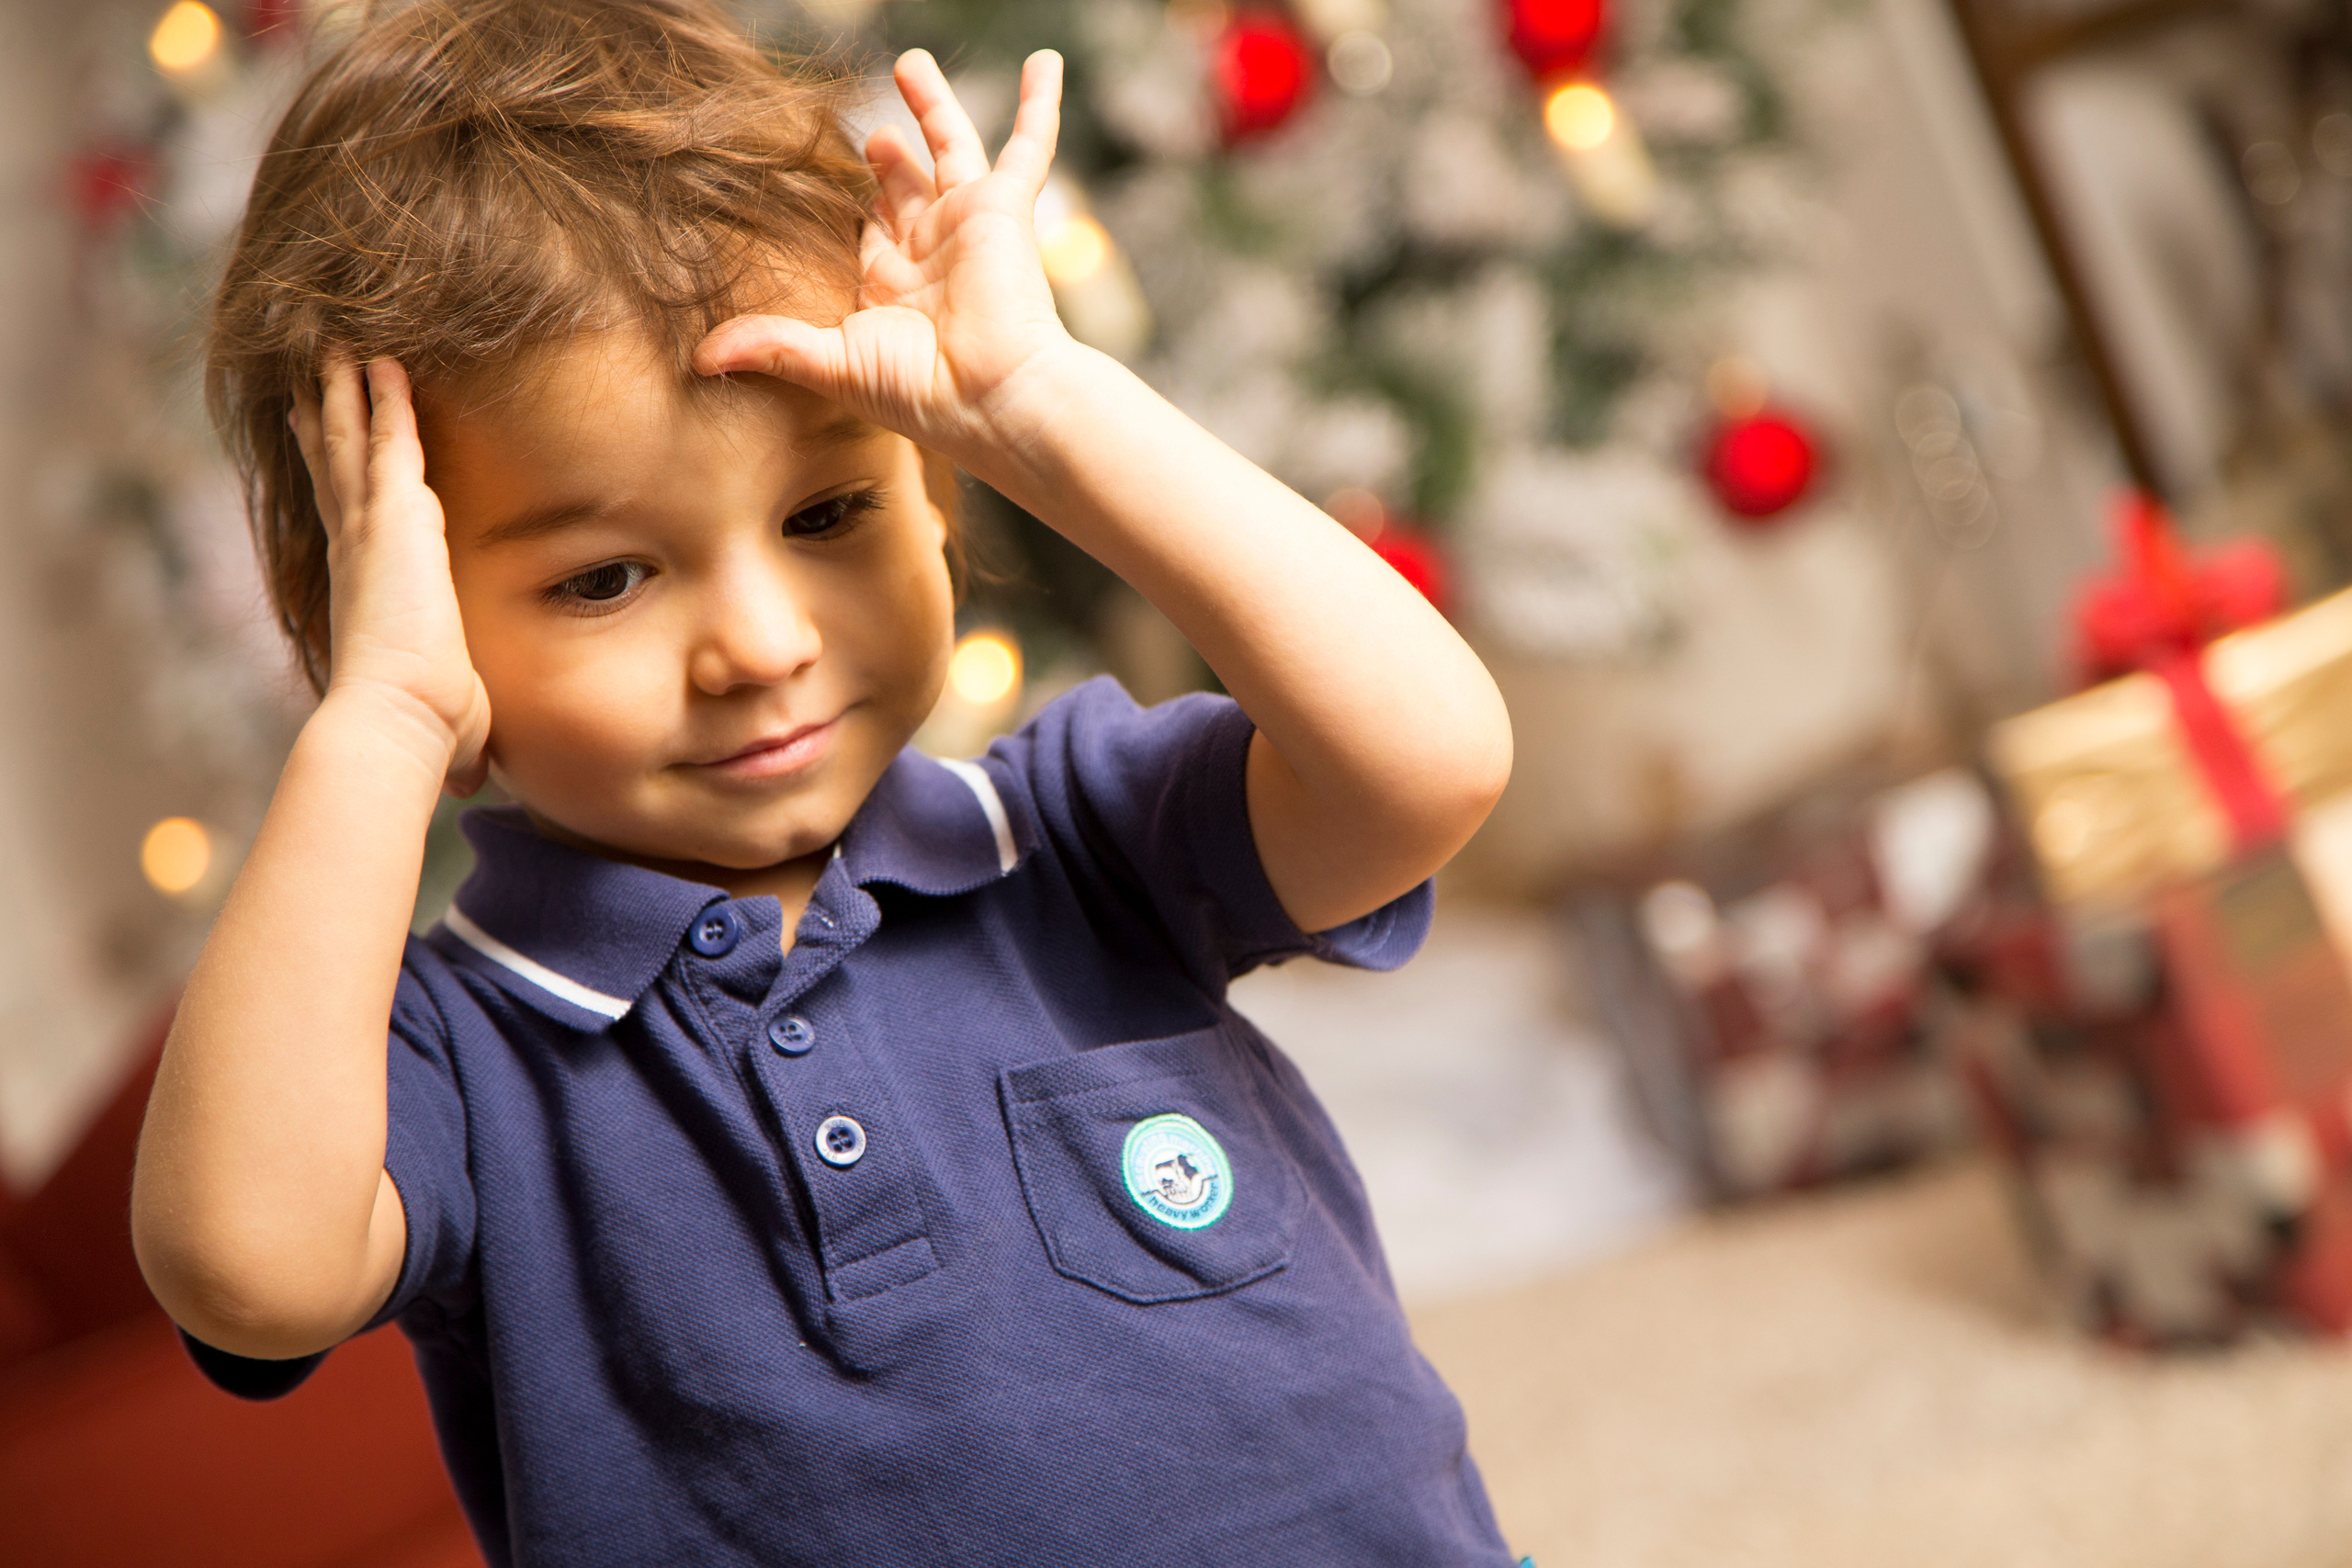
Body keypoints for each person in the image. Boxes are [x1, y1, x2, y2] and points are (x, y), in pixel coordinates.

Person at [129, 1, 1519, 1562]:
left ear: (933, 491)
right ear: (410, 611)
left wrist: (1046, 408)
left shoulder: (1068, 835)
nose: (759, 645)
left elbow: (1430, 762)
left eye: (828, 512)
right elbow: (245, 1263)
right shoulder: (464, 1053)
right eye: (604, 580)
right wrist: (379, 715)